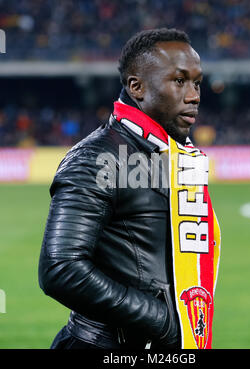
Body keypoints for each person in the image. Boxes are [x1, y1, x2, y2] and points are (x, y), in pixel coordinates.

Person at [38, 28, 221, 350]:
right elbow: (60, 268)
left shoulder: (175, 155)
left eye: (197, 83)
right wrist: (163, 321)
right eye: (179, 81)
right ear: (136, 87)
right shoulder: (98, 158)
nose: (194, 96)